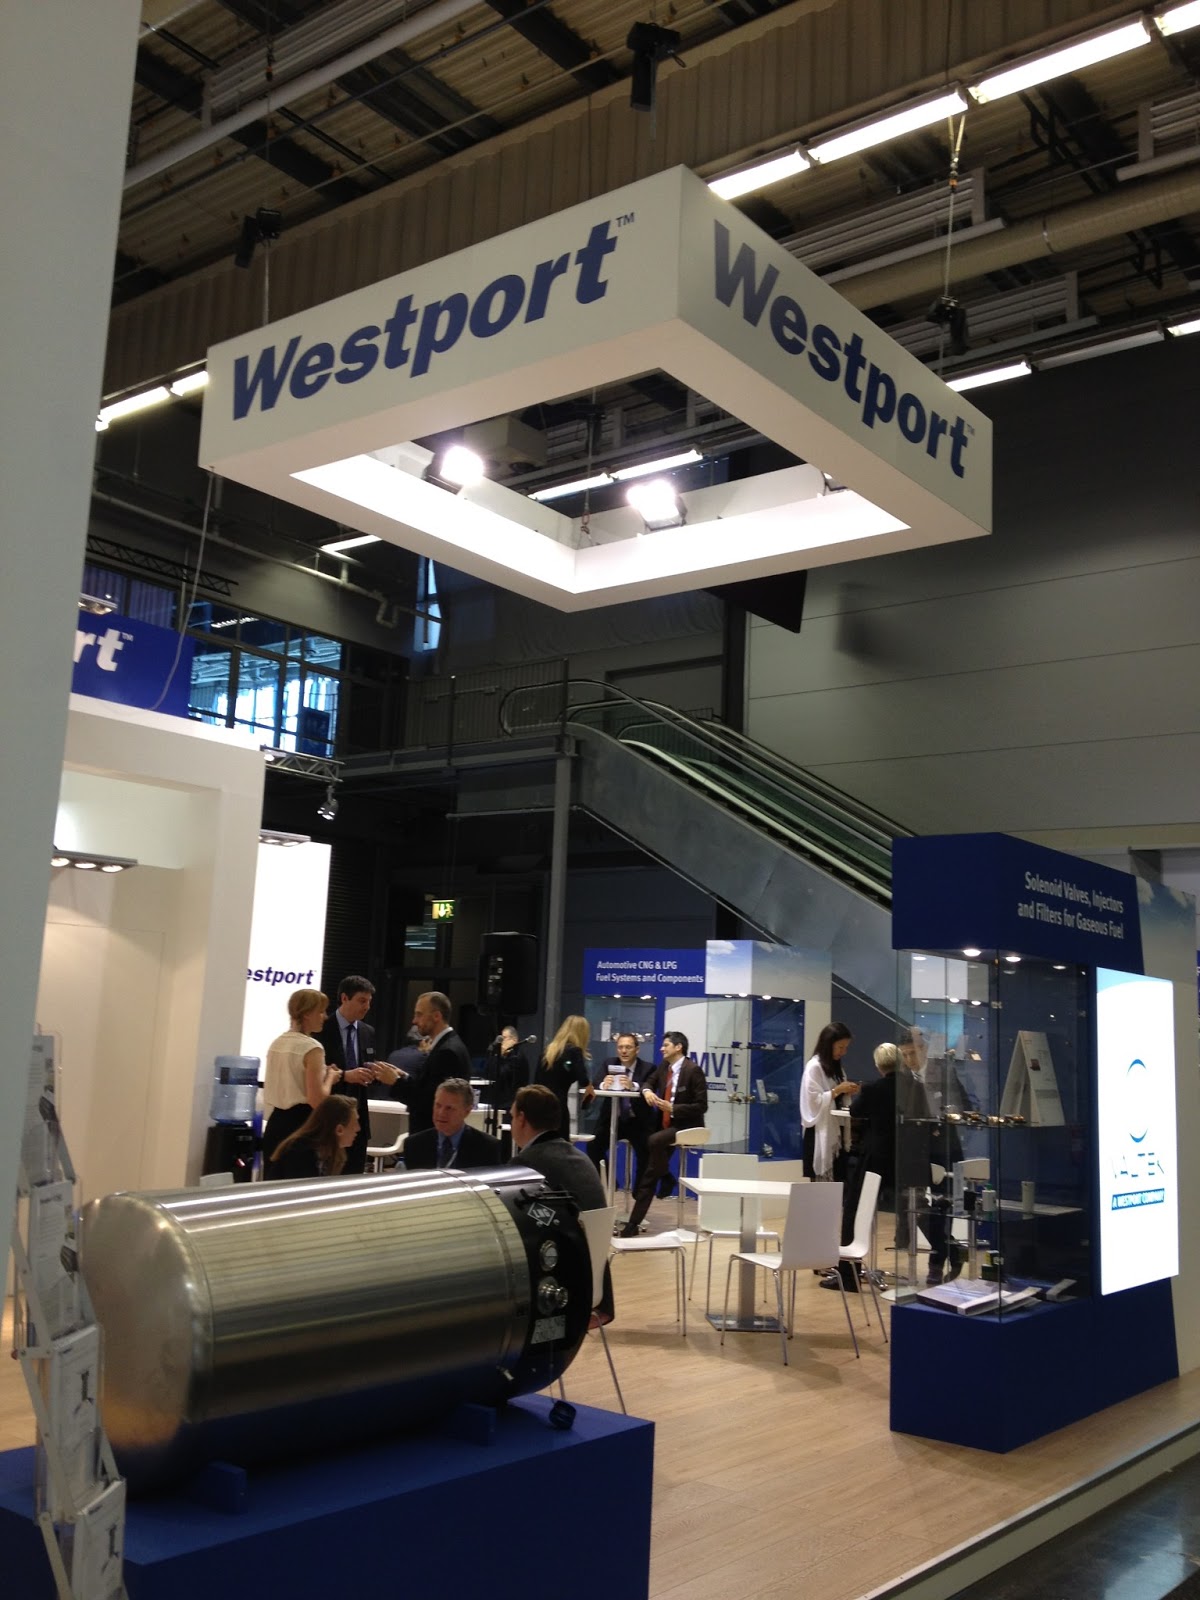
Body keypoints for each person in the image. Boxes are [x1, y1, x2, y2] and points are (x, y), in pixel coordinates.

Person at [510, 1083, 613, 1321]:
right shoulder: (581, 1157)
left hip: (561, 1284)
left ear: (522, 1119)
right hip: (596, 1283)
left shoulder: (526, 1165)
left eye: (512, 1116)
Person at [619, 1031, 707, 1237]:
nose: (661, 1048)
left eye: (666, 1045)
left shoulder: (693, 1070)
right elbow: (648, 1082)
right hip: (666, 1126)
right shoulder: (663, 1067)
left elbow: (701, 1106)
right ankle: (633, 1224)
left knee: (653, 1140)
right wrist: (647, 1091)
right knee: (649, 1176)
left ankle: (666, 1175)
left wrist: (673, 1108)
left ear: (678, 1047)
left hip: (686, 1125)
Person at [897, 1028, 964, 1286]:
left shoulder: (943, 1074)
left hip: (943, 1150)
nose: (909, 1059)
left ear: (923, 1049)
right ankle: (951, 1250)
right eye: (904, 1055)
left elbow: (962, 1103)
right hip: (916, 1151)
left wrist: (947, 1114)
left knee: (941, 1205)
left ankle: (936, 1263)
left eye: (912, 1053)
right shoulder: (904, 1078)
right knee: (916, 1206)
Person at [318, 975, 400, 1174]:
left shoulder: (367, 1031)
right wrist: (346, 1075)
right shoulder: (321, 1029)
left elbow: (365, 1064)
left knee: (354, 1176)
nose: (367, 1007)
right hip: (330, 1116)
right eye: (362, 1001)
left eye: (369, 1002)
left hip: (358, 1118)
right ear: (344, 998)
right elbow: (317, 1072)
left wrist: (375, 1072)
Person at [262, 988, 345, 1165]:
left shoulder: (276, 1043)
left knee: (273, 1179)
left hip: (275, 1124)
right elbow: (318, 1100)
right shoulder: (312, 1048)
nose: (325, 1017)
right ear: (307, 1014)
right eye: (321, 1011)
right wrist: (330, 1077)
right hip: (301, 1126)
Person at [585, 1030, 655, 1192]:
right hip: (612, 1118)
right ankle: (610, 1183)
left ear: (637, 1049)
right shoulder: (609, 1063)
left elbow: (650, 1086)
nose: (624, 1051)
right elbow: (595, 1084)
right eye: (620, 1047)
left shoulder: (648, 1068)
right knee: (593, 1146)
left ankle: (639, 1192)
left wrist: (633, 1086)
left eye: (628, 1047)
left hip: (638, 1121)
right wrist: (604, 1084)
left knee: (646, 1151)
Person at [397, 991, 473, 1135]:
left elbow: (429, 1101)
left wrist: (396, 1082)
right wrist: (403, 1077)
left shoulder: (447, 1051)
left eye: (419, 1014)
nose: (414, 1021)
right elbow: (427, 1088)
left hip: (432, 1135)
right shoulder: (447, 1045)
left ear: (437, 1016)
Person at [799, 1021, 859, 1182]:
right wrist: (837, 1090)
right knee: (820, 1188)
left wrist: (846, 1091)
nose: (843, 1052)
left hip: (836, 1132)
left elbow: (837, 1097)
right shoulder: (814, 1067)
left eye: (846, 1047)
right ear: (828, 1044)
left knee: (839, 1183)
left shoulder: (837, 1068)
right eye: (840, 1047)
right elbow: (812, 1101)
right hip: (820, 1132)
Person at [402, 1078, 502, 1170]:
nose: (441, 1113)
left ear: (467, 1111)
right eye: (438, 1105)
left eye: (449, 1108)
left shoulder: (487, 1147)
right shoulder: (414, 1145)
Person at [267, 1094, 359, 1179]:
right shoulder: (299, 1153)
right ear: (339, 1130)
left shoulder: (330, 1153)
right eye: (355, 1122)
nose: (358, 1128)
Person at [536, 1015, 592, 1137]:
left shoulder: (548, 1051)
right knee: (560, 1141)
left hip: (540, 1105)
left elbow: (537, 1080)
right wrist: (589, 1087)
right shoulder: (574, 1051)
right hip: (558, 1105)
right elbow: (583, 1079)